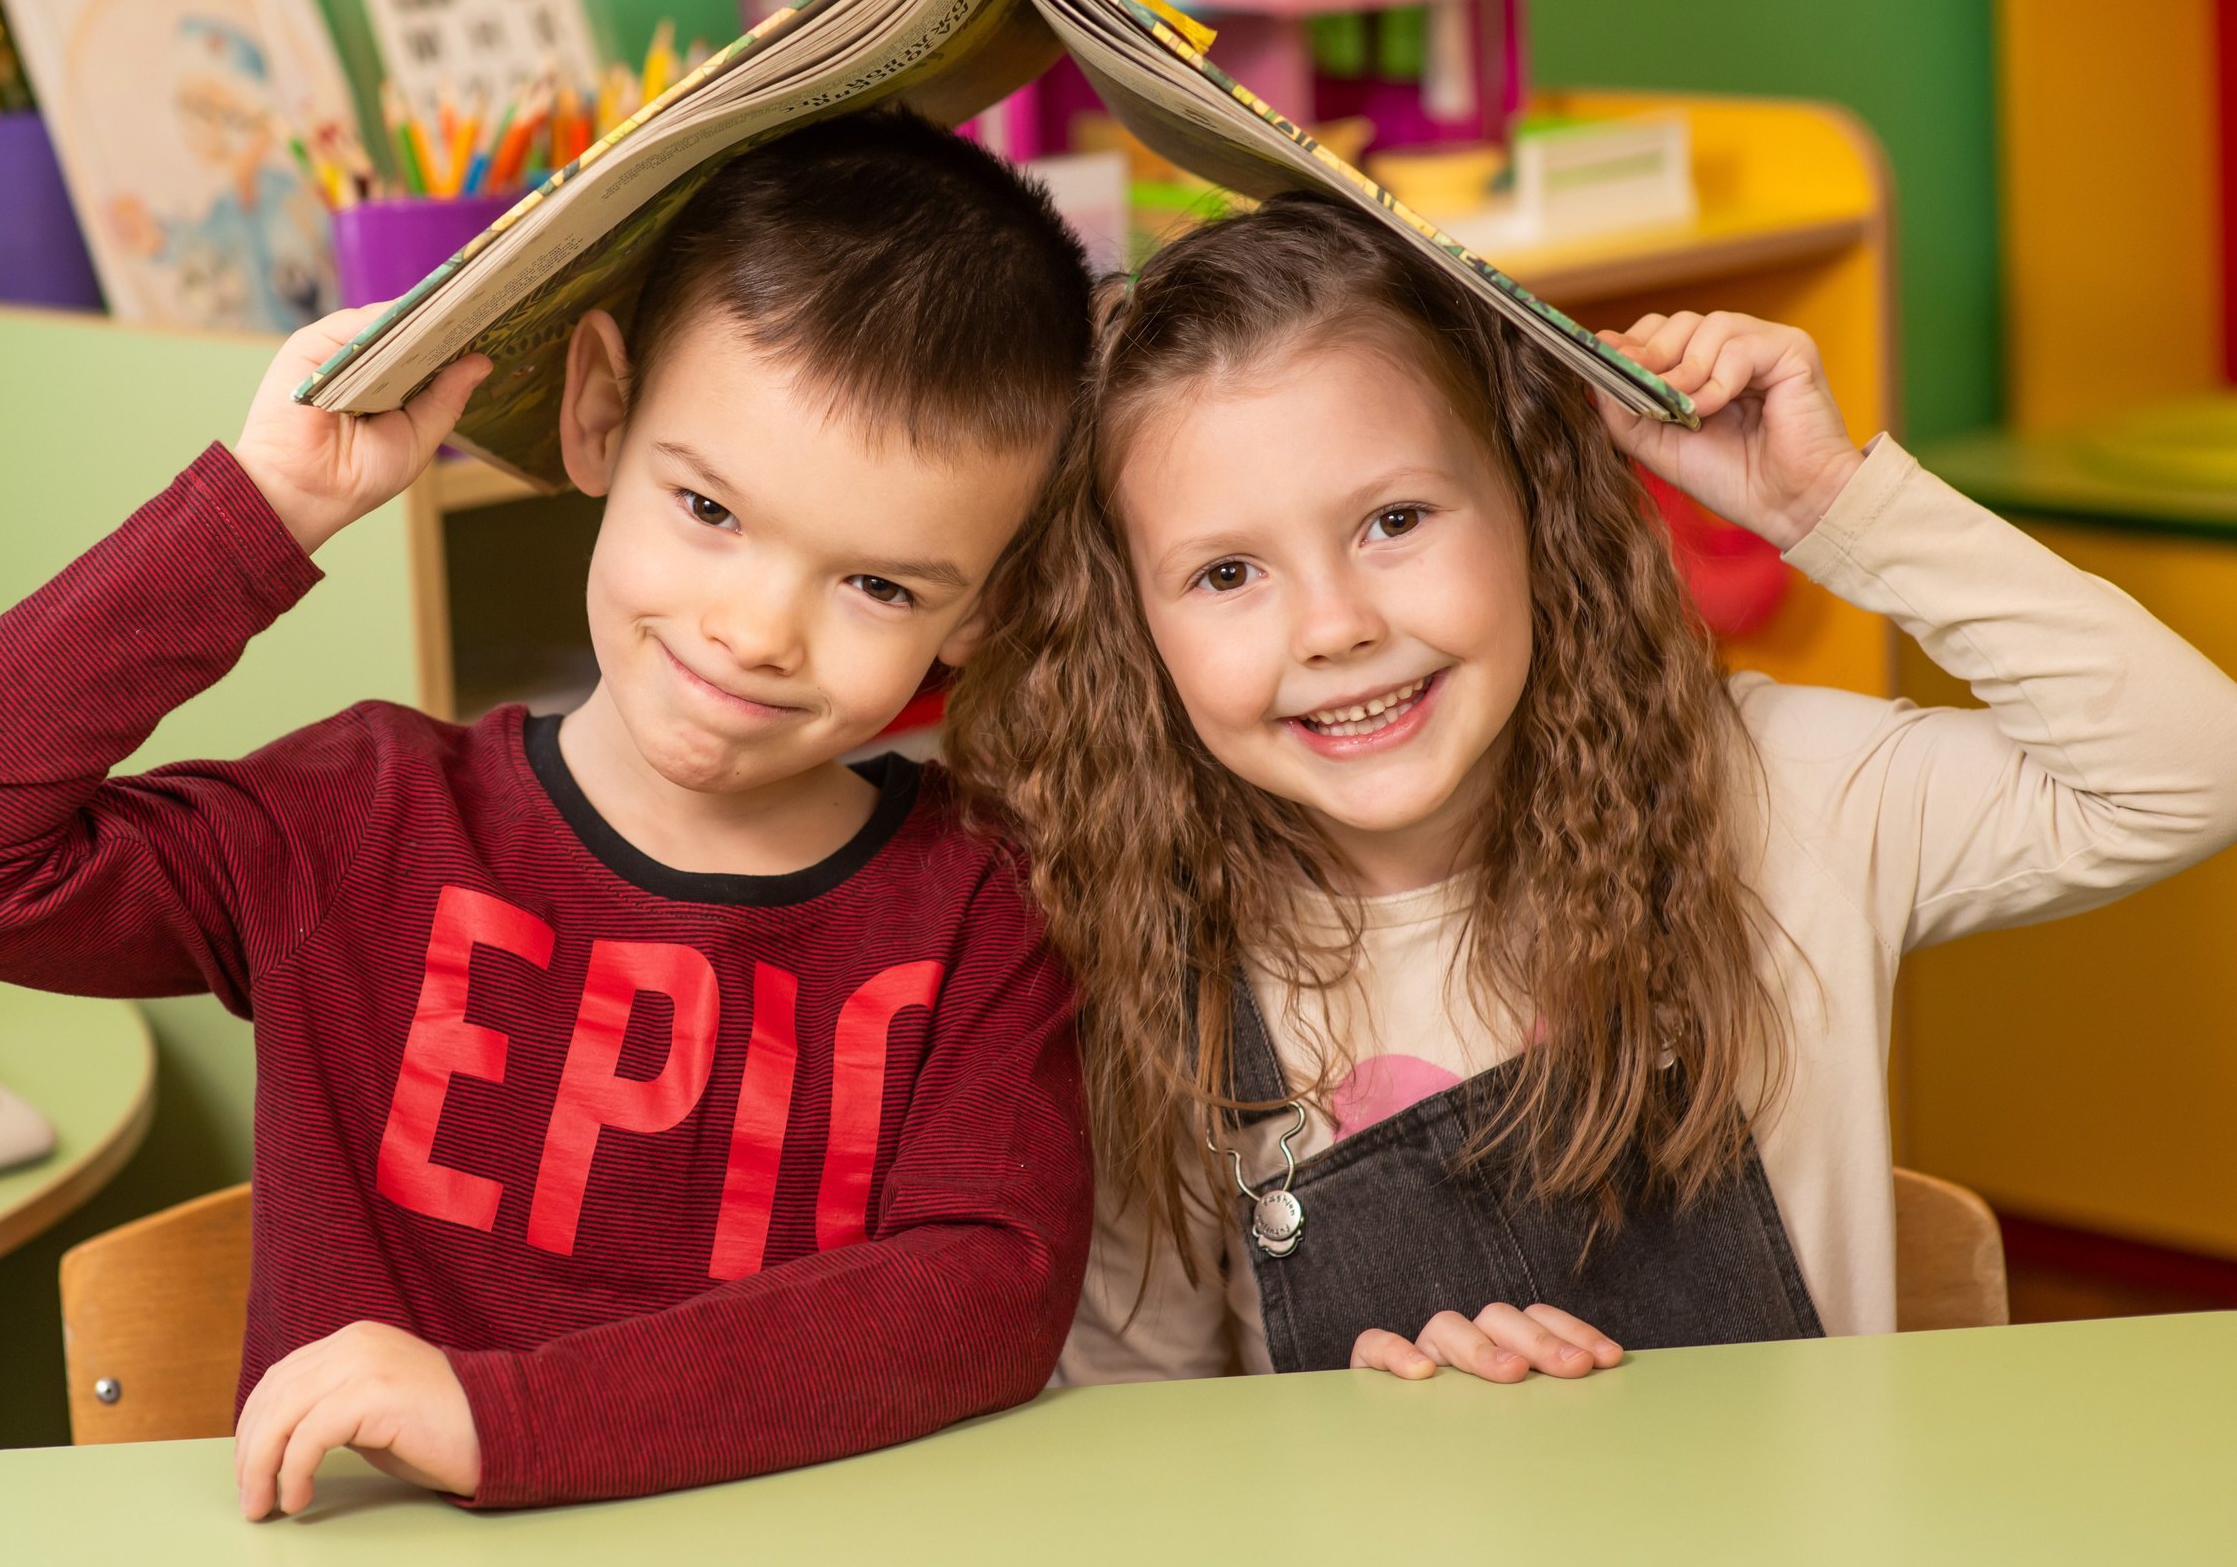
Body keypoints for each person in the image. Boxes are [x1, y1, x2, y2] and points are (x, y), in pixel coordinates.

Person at [0, 109, 1095, 1513]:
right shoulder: (360, 825)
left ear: (987, 604)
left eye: (878, 587)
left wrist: (506, 1417)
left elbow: (985, 1294)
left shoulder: (984, 903)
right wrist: (261, 511)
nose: (753, 631)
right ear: (600, 413)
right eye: (709, 508)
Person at [943, 193, 2237, 1386]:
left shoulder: (1778, 795)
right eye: (1227, 573)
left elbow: (2194, 769)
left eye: (1394, 519)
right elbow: (1149, 1426)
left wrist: (1832, 504)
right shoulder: (1153, 955)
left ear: (1530, 498)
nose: (1333, 626)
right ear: (1138, 628)